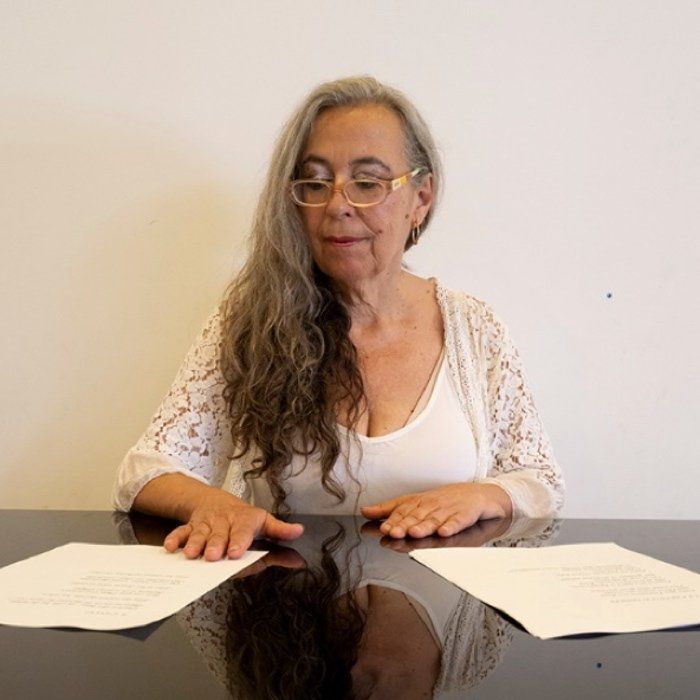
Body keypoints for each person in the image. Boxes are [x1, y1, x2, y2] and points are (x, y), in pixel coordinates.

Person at [112, 75, 564, 561]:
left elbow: (541, 482)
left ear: (421, 197)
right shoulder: (253, 323)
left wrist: (485, 495)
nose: (337, 205)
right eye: (315, 183)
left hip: (442, 605)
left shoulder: (473, 328)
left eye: (367, 183)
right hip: (283, 604)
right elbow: (142, 473)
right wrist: (217, 505)